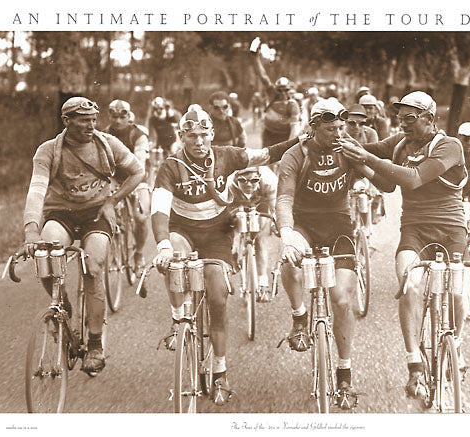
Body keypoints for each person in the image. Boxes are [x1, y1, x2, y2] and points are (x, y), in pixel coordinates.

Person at [150, 108, 300, 405]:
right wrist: (163, 245)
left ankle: (220, 372)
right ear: (181, 137)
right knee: (175, 262)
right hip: (183, 230)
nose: (199, 141)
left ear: (212, 135)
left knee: (218, 297)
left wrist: (301, 140)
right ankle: (178, 319)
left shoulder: (227, 155)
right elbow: (159, 208)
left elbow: (266, 154)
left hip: (218, 235)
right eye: (191, 135)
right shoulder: (170, 166)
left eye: (204, 134)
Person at [340, 91, 468, 399]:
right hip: (415, 229)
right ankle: (414, 364)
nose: (403, 124)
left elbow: (411, 179)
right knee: (409, 285)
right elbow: (385, 181)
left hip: (451, 229)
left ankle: (458, 345)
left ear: (429, 118)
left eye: (410, 118)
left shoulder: (450, 146)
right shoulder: (399, 143)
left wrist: (366, 159)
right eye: (400, 119)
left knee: (456, 290)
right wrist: (336, 142)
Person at [276, 99, 395, 409]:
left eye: (342, 128)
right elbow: (284, 199)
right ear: (314, 128)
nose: (338, 134)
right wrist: (287, 234)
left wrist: (365, 157)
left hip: (339, 226)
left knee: (341, 299)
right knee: (288, 260)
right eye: (331, 129)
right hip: (304, 224)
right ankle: (300, 316)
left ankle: (344, 373)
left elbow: (387, 185)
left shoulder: (349, 149)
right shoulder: (296, 155)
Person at [23, 97, 144, 374]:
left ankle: (95, 343)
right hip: (61, 213)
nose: (91, 125)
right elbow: (36, 190)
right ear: (67, 121)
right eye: (84, 120)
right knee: (45, 257)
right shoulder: (48, 151)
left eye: (93, 119)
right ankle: (62, 305)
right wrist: (31, 229)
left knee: (94, 264)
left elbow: (138, 171)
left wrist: (112, 201)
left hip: (96, 214)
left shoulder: (107, 144)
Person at [105, 99, 151, 274]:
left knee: (140, 218)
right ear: (109, 115)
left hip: (137, 179)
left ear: (128, 116)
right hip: (114, 179)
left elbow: (139, 162)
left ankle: (139, 253)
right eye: (114, 116)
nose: (117, 121)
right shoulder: (103, 134)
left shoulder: (138, 135)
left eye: (121, 116)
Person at [227, 166, 278, 301]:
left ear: (260, 177)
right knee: (230, 231)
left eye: (254, 180)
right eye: (243, 180)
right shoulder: (228, 184)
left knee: (260, 238)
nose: (248, 184)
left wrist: (275, 223)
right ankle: (234, 255)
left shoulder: (269, 180)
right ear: (236, 179)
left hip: (261, 202)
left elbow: (275, 207)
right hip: (236, 203)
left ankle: (263, 283)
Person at [250, 38, 301, 147]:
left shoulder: (292, 104)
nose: (283, 93)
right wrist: (255, 57)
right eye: (280, 90)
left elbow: (295, 127)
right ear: (276, 89)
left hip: (284, 134)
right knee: (267, 159)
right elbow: (262, 75)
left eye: (286, 90)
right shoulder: (272, 93)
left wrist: (290, 145)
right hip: (269, 132)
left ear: (289, 90)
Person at [344, 104, 385, 224]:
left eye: (361, 123)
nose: (357, 127)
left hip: (363, 174)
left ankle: (366, 233)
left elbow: (374, 162)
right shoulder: (339, 133)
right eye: (352, 123)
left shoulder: (371, 134)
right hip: (343, 174)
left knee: (363, 197)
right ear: (345, 122)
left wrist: (373, 185)